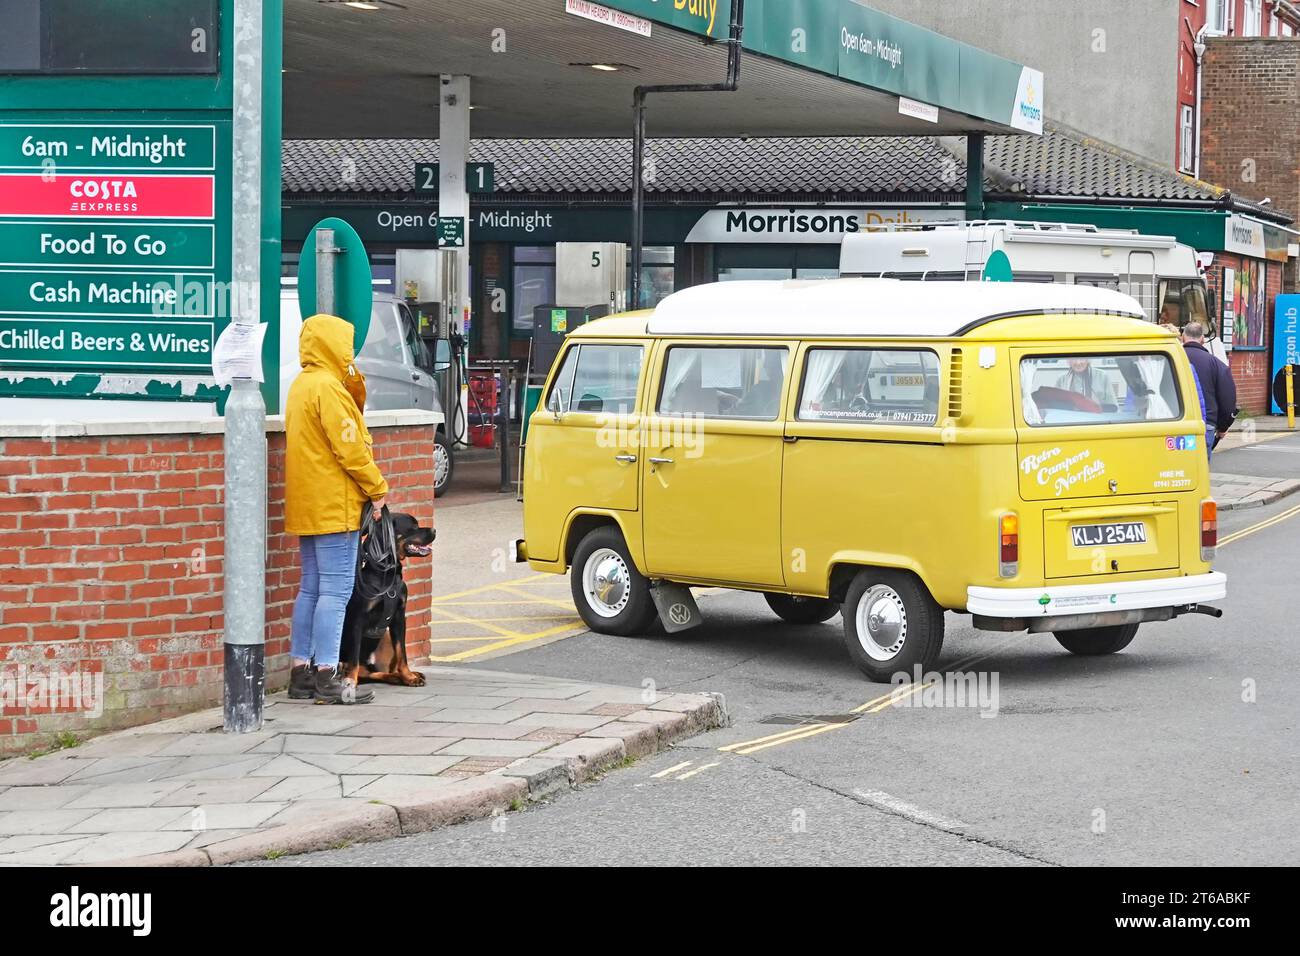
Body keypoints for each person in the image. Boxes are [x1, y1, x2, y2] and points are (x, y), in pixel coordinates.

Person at [284, 314, 390, 704]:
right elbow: (351, 447)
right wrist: (377, 488)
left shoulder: (302, 385)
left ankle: (301, 671)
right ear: (333, 345)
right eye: (346, 344)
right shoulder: (329, 389)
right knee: (336, 589)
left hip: (308, 502)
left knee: (310, 588)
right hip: (335, 502)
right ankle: (328, 672)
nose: (350, 351)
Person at [1182, 321, 1237, 459]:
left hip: (1175, 424)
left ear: (1183, 337)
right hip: (1206, 424)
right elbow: (1228, 399)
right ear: (1202, 339)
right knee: (1200, 469)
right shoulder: (1216, 364)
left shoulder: (1171, 359)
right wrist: (1223, 427)